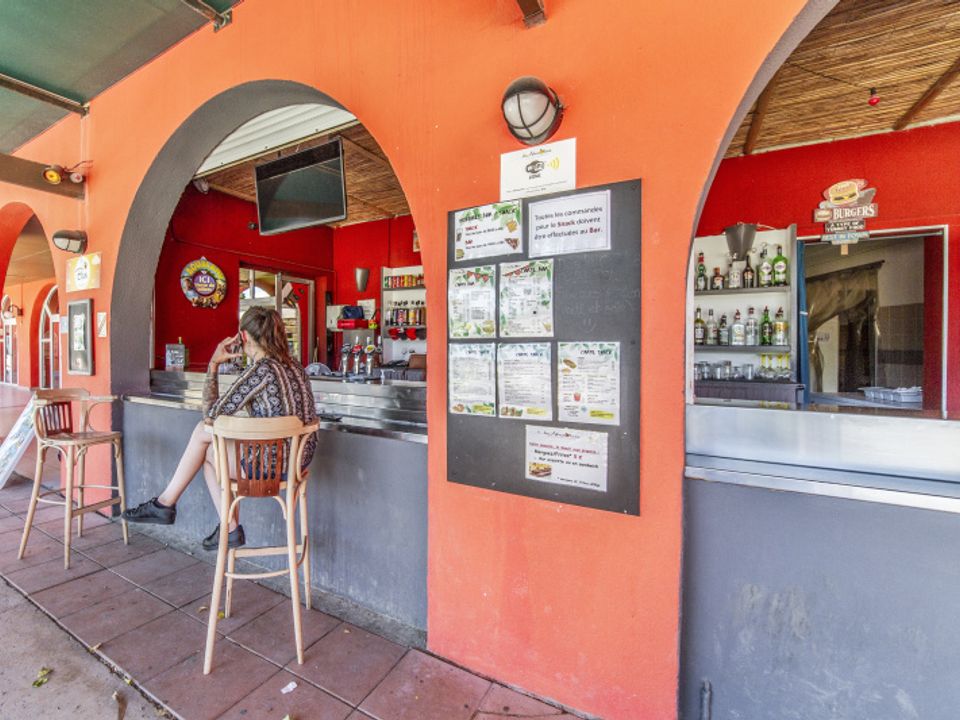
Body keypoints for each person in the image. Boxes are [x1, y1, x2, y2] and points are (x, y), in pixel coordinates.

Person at [123, 307, 318, 550]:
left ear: (244, 336)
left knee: (203, 434)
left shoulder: (261, 370)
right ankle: (226, 526)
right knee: (210, 455)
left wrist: (213, 363)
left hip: (272, 466)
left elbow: (211, 417)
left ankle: (169, 504)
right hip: (299, 461)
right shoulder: (297, 368)